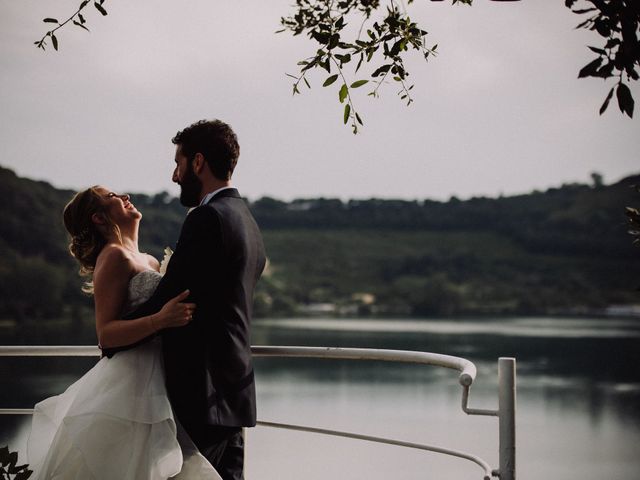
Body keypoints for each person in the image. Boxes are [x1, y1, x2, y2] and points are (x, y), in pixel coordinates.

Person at [106, 119, 266, 480]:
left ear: (197, 163)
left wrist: (115, 336)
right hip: (232, 394)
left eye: (178, 164)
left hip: (199, 391)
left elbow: (173, 294)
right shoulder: (248, 221)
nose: (175, 176)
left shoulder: (207, 217)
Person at [27, 185, 222, 479]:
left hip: (164, 377)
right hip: (131, 383)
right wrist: (160, 320)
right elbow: (106, 334)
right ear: (99, 218)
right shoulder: (113, 256)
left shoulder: (151, 261)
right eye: (112, 198)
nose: (125, 197)